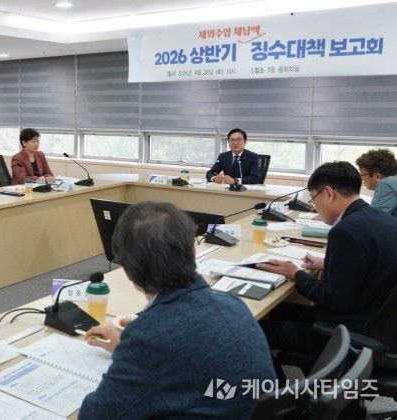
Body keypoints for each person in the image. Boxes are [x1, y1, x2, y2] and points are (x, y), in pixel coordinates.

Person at [79, 202, 275, 420]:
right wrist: (126, 348)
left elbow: (94, 415)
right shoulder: (233, 304)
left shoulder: (149, 337)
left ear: (127, 270)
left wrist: (134, 351)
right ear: (193, 251)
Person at [257, 162, 397, 363]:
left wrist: (296, 273)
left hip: (349, 333)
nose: (315, 206)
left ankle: (275, 382)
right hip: (378, 322)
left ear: (329, 193)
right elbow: (372, 264)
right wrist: (327, 263)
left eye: (314, 198)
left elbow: (334, 300)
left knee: (254, 328)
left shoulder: (345, 231)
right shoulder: (380, 218)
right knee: (277, 310)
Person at [356, 148, 397, 218]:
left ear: (377, 176)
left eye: (362, 175)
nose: (361, 179)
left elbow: (372, 218)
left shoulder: (386, 184)